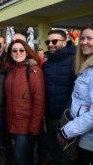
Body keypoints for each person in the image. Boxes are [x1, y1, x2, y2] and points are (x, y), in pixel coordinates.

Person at [4, 39, 45, 165]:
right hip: (12, 123)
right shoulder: (11, 70)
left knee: (21, 159)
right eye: (14, 50)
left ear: (27, 52)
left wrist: (34, 127)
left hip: (26, 125)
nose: (18, 53)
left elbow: (39, 101)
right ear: (10, 53)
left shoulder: (34, 70)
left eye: (21, 50)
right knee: (19, 158)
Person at [57, 24, 93, 165]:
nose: (84, 42)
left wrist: (66, 131)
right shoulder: (85, 66)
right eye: (82, 38)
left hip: (89, 140)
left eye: (89, 38)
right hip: (81, 135)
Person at [41, 29, 76, 164]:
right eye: (48, 41)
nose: (50, 44)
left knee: (66, 157)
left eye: (54, 41)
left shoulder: (74, 61)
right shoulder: (47, 64)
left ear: (65, 42)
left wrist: (68, 118)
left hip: (67, 120)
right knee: (54, 153)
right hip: (50, 118)